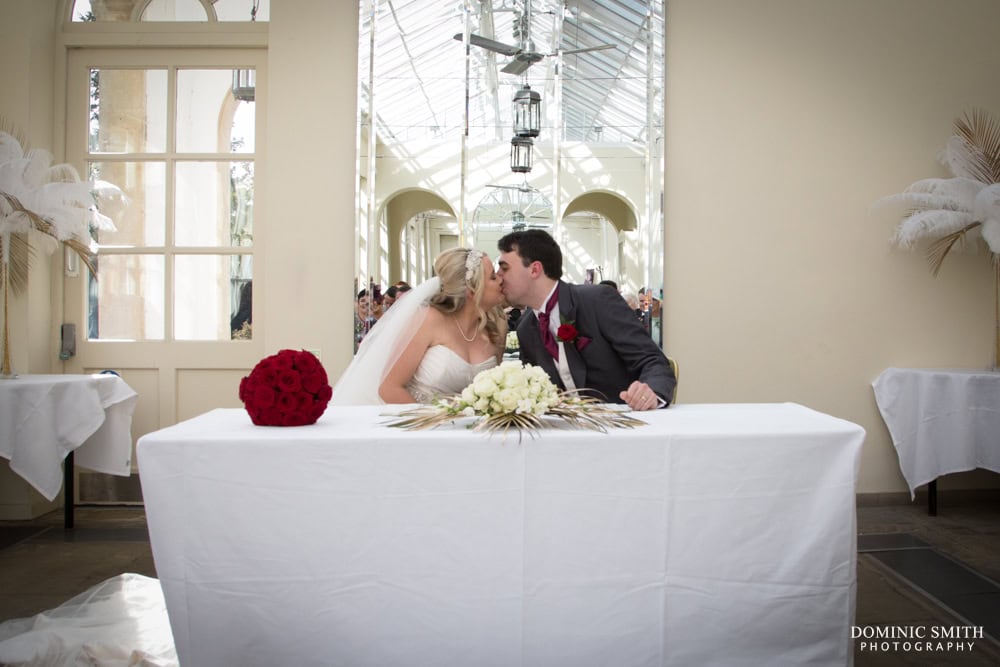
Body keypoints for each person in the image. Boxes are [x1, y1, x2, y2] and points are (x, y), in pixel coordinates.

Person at [497, 229, 675, 410]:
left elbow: (654, 361)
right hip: (565, 431)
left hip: (625, 424)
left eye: (504, 268)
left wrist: (650, 392)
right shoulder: (526, 328)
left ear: (535, 269)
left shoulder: (597, 300)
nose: (498, 277)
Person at [332, 248, 507, 405]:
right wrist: (436, 425)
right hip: (418, 426)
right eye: (492, 276)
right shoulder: (428, 319)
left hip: (469, 432)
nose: (501, 279)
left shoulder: (496, 327)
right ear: (471, 290)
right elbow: (390, 389)